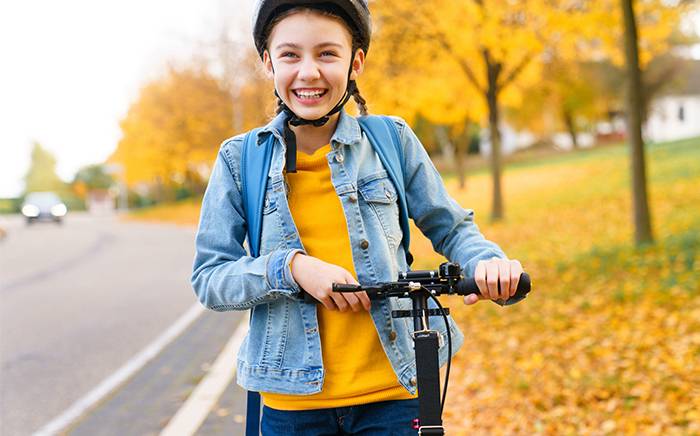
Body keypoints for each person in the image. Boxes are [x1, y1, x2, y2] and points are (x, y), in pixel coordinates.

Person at [191, 0, 526, 434]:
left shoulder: (392, 140)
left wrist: (488, 264)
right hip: (292, 405)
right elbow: (210, 277)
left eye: (327, 53)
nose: (309, 72)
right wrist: (293, 268)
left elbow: (454, 229)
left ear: (356, 61)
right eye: (291, 54)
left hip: (394, 395)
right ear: (267, 62)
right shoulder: (239, 160)